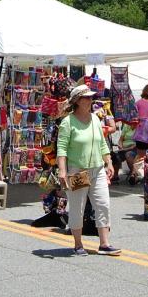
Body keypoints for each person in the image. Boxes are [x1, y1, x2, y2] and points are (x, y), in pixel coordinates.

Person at [56, 84, 121, 257]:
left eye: (91, 97)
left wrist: (108, 162)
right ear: (77, 101)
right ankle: (78, 244)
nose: (90, 100)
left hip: (97, 169)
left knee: (103, 205)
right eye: (87, 97)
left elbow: (102, 143)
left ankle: (104, 244)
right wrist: (62, 170)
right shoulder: (68, 122)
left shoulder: (95, 119)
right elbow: (61, 148)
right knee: (78, 207)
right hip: (78, 170)